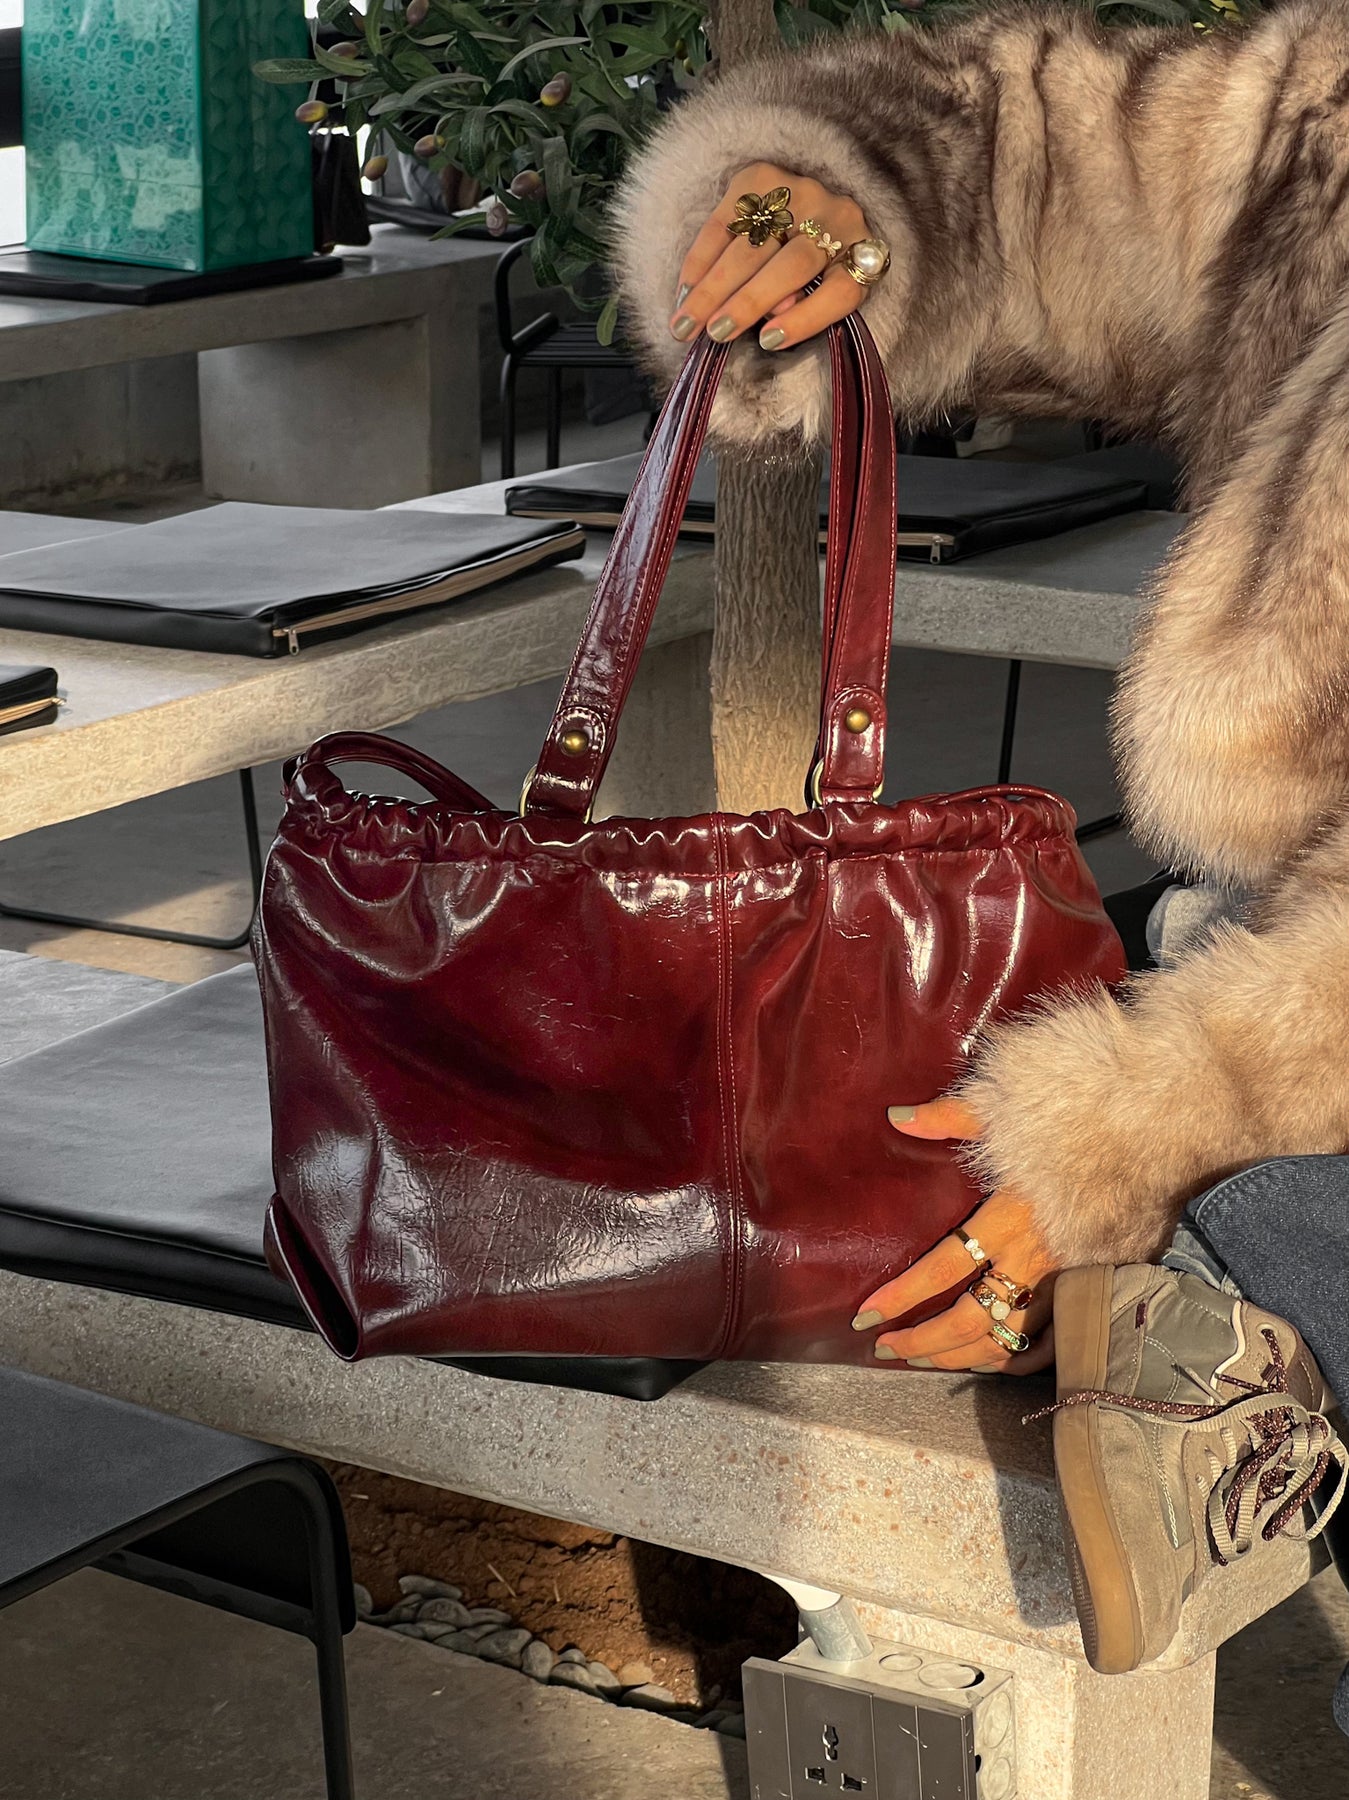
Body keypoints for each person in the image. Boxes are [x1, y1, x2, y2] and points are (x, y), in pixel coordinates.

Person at [607, 0, 1349, 1679]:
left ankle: (1239, 1286)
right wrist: (834, 191)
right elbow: (1036, 150)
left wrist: (1167, 1125)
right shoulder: (1321, 106)